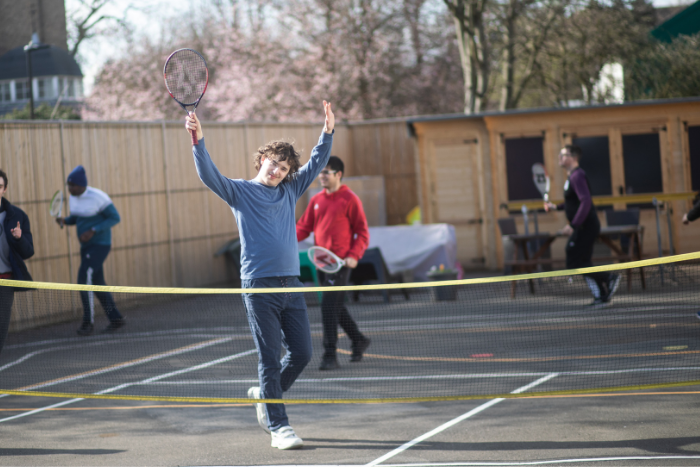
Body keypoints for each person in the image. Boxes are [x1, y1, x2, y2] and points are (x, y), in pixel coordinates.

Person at [185, 101, 335, 450]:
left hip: (291, 286)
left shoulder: (290, 191)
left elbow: (315, 164)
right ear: (261, 161)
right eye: (273, 163)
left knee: (301, 354)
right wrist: (198, 140)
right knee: (268, 358)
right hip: (259, 288)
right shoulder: (240, 191)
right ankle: (278, 426)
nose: (278, 170)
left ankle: (266, 395)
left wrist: (327, 132)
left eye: (284, 168)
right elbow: (209, 174)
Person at [296, 156, 371, 371]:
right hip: (321, 264)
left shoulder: (350, 199)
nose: (321, 176)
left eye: (326, 172)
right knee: (334, 307)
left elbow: (362, 233)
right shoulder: (317, 200)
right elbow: (303, 227)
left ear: (338, 174)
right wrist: (284, 238)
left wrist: (354, 255)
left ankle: (330, 354)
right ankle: (358, 339)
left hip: (341, 265)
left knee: (328, 308)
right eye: (320, 172)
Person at [545, 145, 621, 306]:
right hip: (583, 226)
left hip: (586, 226)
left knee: (576, 260)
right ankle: (602, 295)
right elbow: (572, 203)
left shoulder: (577, 176)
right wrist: (555, 207)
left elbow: (586, 201)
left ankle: (608, 278)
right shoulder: (572, 176)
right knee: (579, 260)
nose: (560, 157)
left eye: (563, 154)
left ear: (573, 158)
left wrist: (573, 225)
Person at [56, 166, 125, 335]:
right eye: (68, 185)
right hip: (86, 247)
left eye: (73, 185)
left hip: (100, 245)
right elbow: (78, 217)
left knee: (83, 279)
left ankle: (88, 323)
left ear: (82, 185)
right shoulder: (73, 198)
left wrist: (93, 230)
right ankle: (116, 319)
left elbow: (115, 217)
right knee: (98, 283)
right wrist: (65, 220)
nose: (70, 189)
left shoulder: (98, 197)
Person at [0, 170, 34, 355]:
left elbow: (29, 252)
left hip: (5, 282)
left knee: (1, 329)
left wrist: (19, 239)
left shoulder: (17, 216)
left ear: (4, 189)